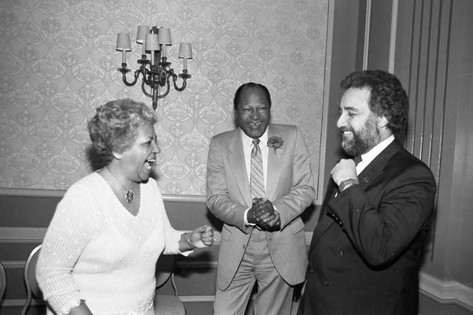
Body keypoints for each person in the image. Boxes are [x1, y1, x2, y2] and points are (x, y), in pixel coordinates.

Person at [36, 99, 214, 315]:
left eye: (155, 141)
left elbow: (160, 237)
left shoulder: (150, 189)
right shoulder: (84, 197)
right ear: (119, 149)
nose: (157, 149)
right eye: (148, 143)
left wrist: (189, 240)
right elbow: (51, 272)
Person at [297, 70, 437, 315]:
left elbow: (380, 248)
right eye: (340, 112)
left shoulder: (413, 176)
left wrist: (349, 184)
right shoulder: (350, 164)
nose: (340, 122)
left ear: (382, 118)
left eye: (351, 113)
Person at [206, 82, 315, 315]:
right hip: (237, 247)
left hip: (281, 245)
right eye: (247, 109)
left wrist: (277, 211)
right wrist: (248, 215)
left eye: (262, 108)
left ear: (270, 109)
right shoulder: (220, 144)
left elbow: (305, 188)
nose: (255, 116)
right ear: (236, 113)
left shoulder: (292, 136)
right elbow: (215, 198)